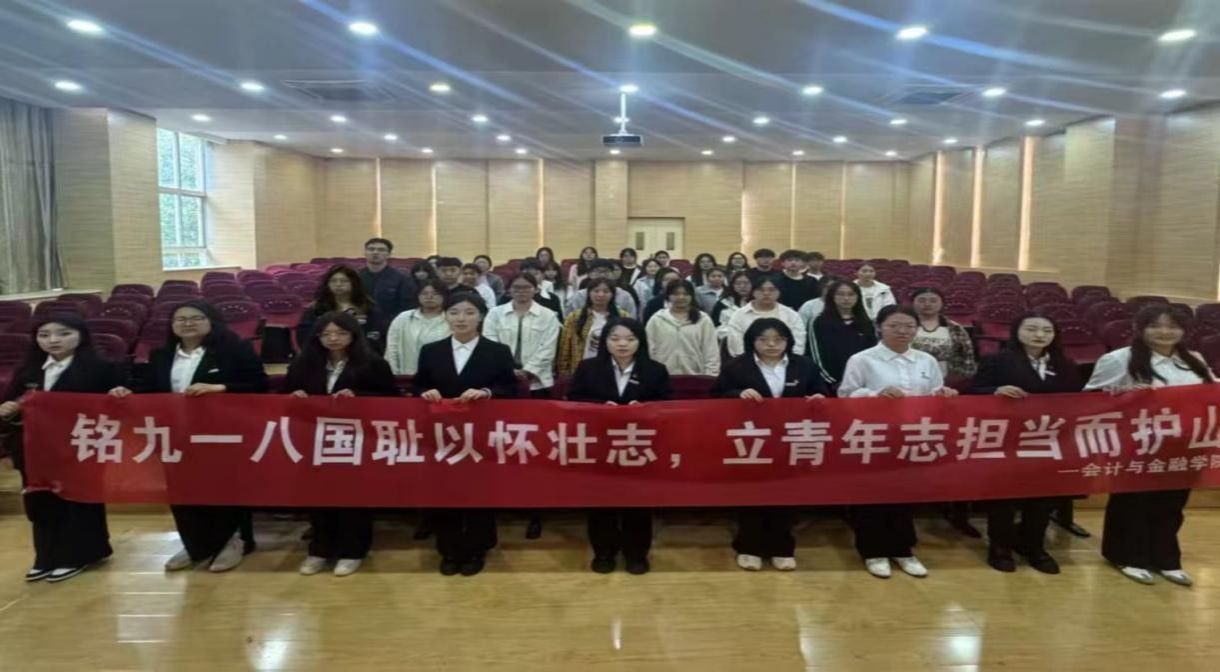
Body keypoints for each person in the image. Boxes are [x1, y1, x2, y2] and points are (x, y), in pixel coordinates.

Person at [113, 301, 269, 572]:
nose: (188, 323)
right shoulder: (161, 354)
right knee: (182, 491)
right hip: (175, 435)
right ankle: (195, 545)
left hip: (222, 433)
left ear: (211, 321)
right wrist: (127, 393)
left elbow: (259, 384)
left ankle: (234, 542)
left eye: (196, 318)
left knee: (224, 488)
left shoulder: (234, 350)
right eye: (181, 319)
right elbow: (149, 389)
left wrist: (221, 388)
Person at [1085, 305, 1214, 586]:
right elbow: (1090, 399)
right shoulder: (1118, 359)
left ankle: (1166, 559)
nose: (1165, 332)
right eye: (1156, 325)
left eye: (1173, 326)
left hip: (1184, 444)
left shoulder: (1194, 358)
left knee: (1172, 504)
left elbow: (1211, 390)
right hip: (1138, 444)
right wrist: (1124, 395)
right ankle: (1125, 556)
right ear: (1140, 328)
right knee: (1133, 503)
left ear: (1184, 330)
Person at [0, 315, 125, 583]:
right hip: (35, 449)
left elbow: (117, 410)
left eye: (63, 333)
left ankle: (80, 555)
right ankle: (45, 556)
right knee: (40, 501)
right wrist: (10, 410)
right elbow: (12, 405)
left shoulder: (101, 368)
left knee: (78, 501)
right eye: (44, 335)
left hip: (81, 446)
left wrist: (118, 397)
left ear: (81, 335)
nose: (53, 340)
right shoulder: (29, 370)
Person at [839, 305, 958, 579]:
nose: (902, 331)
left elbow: (934, 394)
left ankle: (903, 550)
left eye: (909, 326)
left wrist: (944, 394)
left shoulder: (926, 360)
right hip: (874, 436)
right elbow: (845, 396)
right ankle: (873, 551)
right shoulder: (862, 359)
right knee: (872, 496)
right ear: (879, 327)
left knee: (905, 494)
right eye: (894, 325)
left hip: (914, 436)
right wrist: (875, 395)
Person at [413, 291, 520, 576]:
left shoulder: (498, 351)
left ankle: (477, 548)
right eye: (454, 312)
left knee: (479, 493)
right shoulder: (431, 350)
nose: (461, 319)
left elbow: (510, 389)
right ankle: (449, 549)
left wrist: (486, 392)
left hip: (481, 435)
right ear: (445, 315)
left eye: (469, 312)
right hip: (442, 436)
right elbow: (418, 384)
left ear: (481, 316)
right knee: (444, 491)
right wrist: (426, 392)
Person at [285, 312, 397, 577]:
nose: (333, 338)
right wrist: (294, 395)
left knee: (354, 498)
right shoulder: (304, 363)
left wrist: (358, 396)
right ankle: (319, 550)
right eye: (326, 334)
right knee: (318, 496)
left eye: (340, 333)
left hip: (356, 442)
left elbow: (391, 399)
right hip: (314, 440)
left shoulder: (373, 363)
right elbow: (285, 394)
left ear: (353, 335)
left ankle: (353, 551)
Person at [712, 318, 829, 571]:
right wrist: (737, 395)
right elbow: (715, 397)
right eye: (763, 339)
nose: (772, 345)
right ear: (752, 341)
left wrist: (819, 398)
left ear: (788, 341)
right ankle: (748, 546)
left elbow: (822, 393)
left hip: (790, 440)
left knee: (785, 494)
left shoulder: (804, 365)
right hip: (751, 441)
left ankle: (782, 547)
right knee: (750, 495)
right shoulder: (736, 366)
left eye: (778, 339)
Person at [971, 313, 1082, 575]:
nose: (1039, 335)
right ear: (1017, 332)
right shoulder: (997, 360)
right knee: (1004, 496)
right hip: (1007, 438)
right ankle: (1000, 547)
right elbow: (973, 392)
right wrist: (995, 391)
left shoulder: (1065, 364)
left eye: (1047, 330)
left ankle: (1033, 546)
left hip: (1048, 439)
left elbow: (1077, 399)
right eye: (1031, 329)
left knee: (1042, 496)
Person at [567, 319, 673, 575]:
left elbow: (668, 404)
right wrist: (600, 407)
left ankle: (636, 554)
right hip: (600, 445)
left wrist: (646, 409)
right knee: (601, 501)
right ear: (605, 341)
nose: (622, 344)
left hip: (640, 446)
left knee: (638, 502)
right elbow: (573, 400)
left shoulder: (655, 370)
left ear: (640, 342)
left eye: (630, 338)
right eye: (615, 338)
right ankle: (604, 552)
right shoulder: (588, 368)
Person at [484, 274, 561, 398]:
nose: (521, 291)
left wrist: (528, 371)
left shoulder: (548, 315)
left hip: (537, 380)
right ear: (509, 290)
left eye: (526, 287)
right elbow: (490, 344)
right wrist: (508, 370)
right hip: (501, 378)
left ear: (536, 289)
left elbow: (548, 348)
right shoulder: (495, 313)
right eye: (516, 287)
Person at [298, 265, 388, 353]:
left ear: (354, 283)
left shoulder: (368, 307)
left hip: (361, 355)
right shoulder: (317, 308)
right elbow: (305, 335)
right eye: (333, 281)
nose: (338, 284)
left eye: (344, 281)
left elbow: (376, 335)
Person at [808, 280, 877, 390]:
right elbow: (815, 356)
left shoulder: (866, 323)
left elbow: (872, 353)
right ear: (832, 296)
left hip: (863, 384)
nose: (846, 298)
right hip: (831, 384)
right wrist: (833, 382)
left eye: (851, 294)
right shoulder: (819, 321)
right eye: (840, 294)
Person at [557, 279, 630, 377]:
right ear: (588, 293)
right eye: (596, 291)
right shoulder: (575, 317)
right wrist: (563, 371)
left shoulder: (623, 317)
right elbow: (565, 346)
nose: (600, 295)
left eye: (606, 291)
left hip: (613, 370)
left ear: (612, 295)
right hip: (581, 369)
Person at [646, 281, 720, 376]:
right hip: (662, 377)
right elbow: (649, 349)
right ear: (668, 296)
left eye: (685, 294)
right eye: (676, 294)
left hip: (695, 376)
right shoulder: (657, 319)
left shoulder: (703, 320)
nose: (681, 297)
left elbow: (711, 352)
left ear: (692, 296)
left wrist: (711, 376)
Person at [725, 276, 807, 357]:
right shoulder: (739, 315)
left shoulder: (791, 315)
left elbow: (798, 345)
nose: (766, 293)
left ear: (779, 292)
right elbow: (737, 347)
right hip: (747, 362)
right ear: (753, 292)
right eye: (761, 290)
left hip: (786, 361)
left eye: (772, 290)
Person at [384, 280, 451, 375]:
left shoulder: (451, 319)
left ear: (444, 296)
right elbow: (392, 348)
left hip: (442, 375)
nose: (429, 297)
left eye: (435, 293)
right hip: (407, 375)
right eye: (424, 293)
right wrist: (393, 374)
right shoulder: (404, 318)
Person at [910, 287, 977, 381]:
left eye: (933, 301)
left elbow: (966, 355)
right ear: (913, 303)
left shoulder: (955, 328)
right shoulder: (903, 326)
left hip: (946, 378)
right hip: (908, 374)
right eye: (922, 300)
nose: (927, 304)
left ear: (942, 303)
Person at [359, 237, 417, 318]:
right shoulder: (355, 276)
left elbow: (408, 307)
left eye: (381, 250)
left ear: (389, 254)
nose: (375, 252)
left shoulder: (401, 279)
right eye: (371, 249)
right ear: (365, 253)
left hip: (392, 321)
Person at [566, 259, 637, 318]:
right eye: (597, 271)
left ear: (613, 275)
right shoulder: (579, 296)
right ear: (590, 274)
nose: (602, 275)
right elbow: (569, 319)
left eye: (606, 271)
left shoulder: (624, 296)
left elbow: (632, 320)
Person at [712, 270, 754, 342]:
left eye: (746, 283)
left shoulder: (759, 302)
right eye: (738, 283)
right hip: (728, 341)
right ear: (732, 285)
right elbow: (714, 326)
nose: (742, 286)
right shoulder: (723, 303)